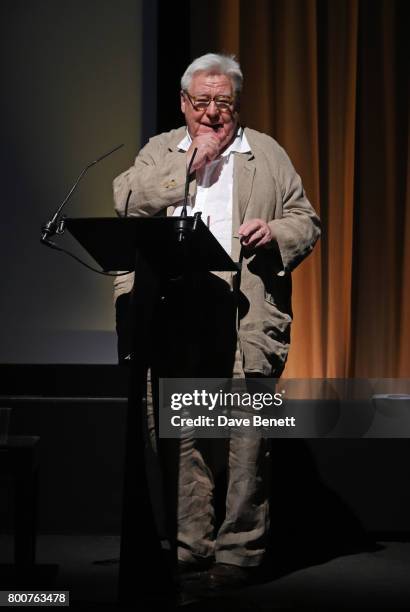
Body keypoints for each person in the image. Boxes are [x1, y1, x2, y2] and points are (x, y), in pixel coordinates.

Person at [113, 53, 320, 590]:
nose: (210, 114)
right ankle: (191, 546)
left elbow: (306, 219)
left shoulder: (266, 153)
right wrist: (185, 164)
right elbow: (126, 200)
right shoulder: (162, 149)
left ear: (235, 105)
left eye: (221, 103)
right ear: (184, 103)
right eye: (200, 102)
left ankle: (240, 551)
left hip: (244, 319)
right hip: (176, 319)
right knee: (184, 438)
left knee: (247, 439)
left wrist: (276, 232)